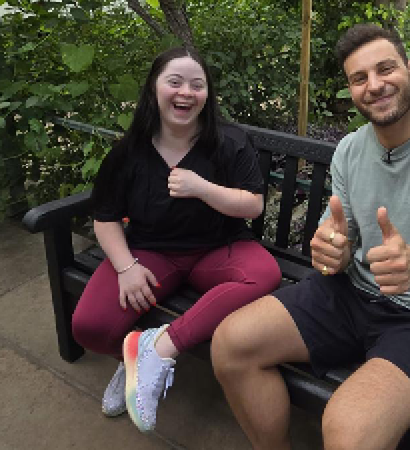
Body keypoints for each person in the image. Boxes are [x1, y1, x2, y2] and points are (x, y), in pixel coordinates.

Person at [211, 23, 410, 450]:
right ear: (351, 91)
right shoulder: (351, 150)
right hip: (350, 293)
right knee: (231, 343)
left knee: (349, 431)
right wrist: (330, 248)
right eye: (359, 78)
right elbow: (340, 232)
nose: (374, 85)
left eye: (385, 69)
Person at [70, 47, 281, 434]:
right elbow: (105, 218)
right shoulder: (129, 152)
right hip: (151, 254)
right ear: (154, 89)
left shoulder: (229, 141)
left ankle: (156, 350)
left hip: (219, 249)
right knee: (90, 326)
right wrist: (126, 268)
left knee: (265, 273)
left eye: (197, 85)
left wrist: (202, 188)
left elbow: (253, 205)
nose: (186, 92)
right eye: (175, 81)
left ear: (207, 95)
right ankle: (130, 360)